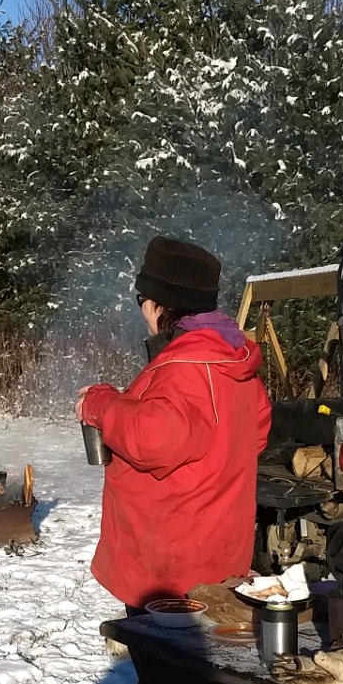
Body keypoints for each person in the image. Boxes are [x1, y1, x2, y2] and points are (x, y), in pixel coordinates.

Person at [75, 236, 272, 608]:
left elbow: (151, 439)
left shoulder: (186, 369)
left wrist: (99, 403)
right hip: (220, 552)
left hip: (172, 567)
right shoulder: (231, 361)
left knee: (166, 660)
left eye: (142, 302)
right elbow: (256, 432)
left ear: (162, 306)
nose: (142, 312)